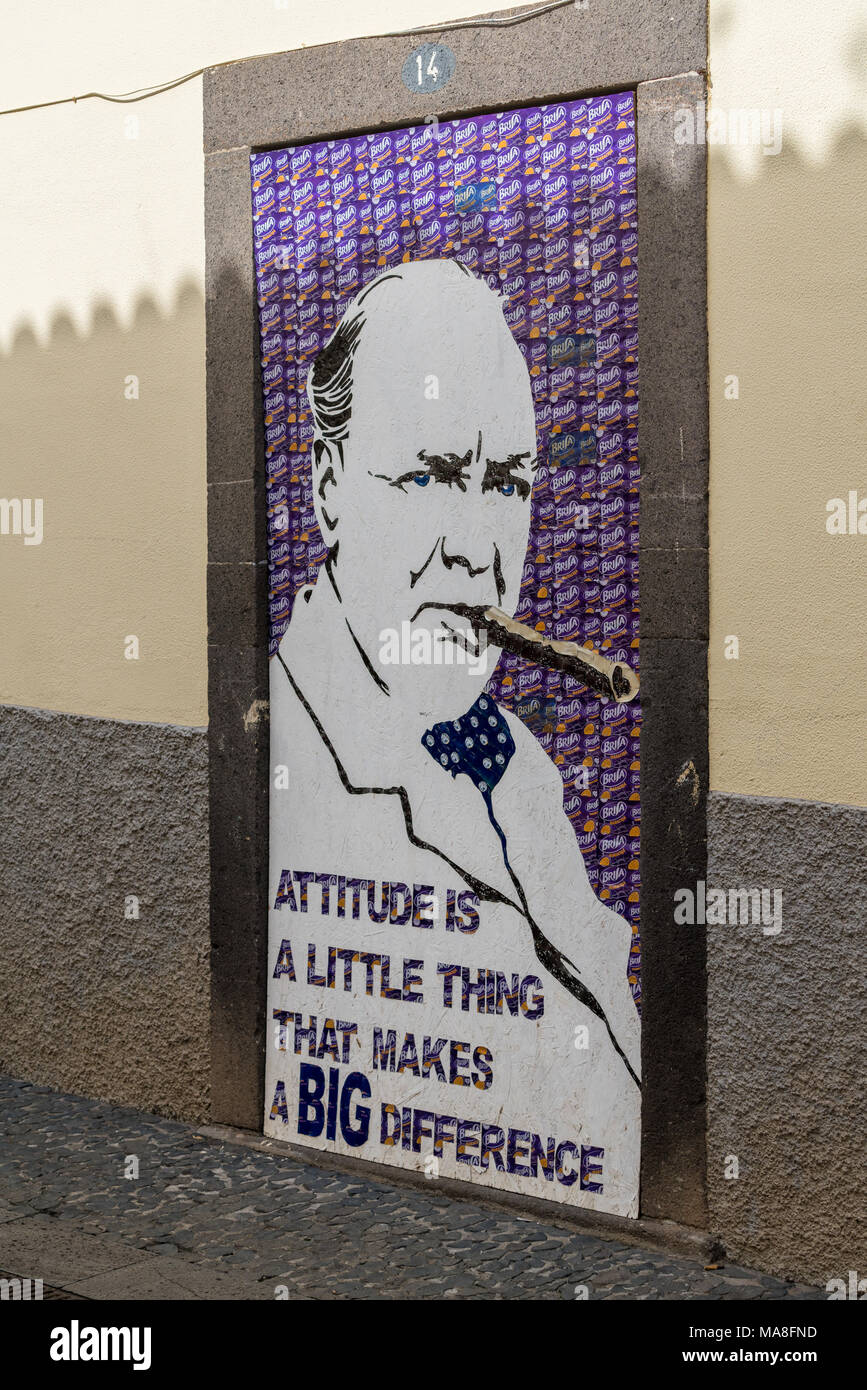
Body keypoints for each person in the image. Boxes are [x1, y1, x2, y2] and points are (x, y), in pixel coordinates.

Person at [267, 258, 640, 1216]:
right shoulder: (291, 744)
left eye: (507, 485)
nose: (478, 548)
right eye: (432, 475)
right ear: (329, 490)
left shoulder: (515, 762)